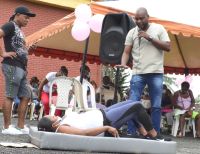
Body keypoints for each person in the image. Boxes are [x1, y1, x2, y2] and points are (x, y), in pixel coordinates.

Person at [117, 7, 171, 133]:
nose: (139, 21)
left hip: (156, 73)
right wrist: (123, 64)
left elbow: (168, 47)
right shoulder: (132, 33)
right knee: (132, 104)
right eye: (136, 19)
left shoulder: (159, 28)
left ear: (148, 17)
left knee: (156, 106)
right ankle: (132, 132)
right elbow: (126, 52)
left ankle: (155, 134)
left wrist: (149, 38)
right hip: (138, 73)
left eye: (141, 18)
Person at [38, 101, 160, 140]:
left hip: (103, 113)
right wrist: (106, 128)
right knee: (137, 106)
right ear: (53, 124)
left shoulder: (61, 121)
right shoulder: (61, 128)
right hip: (106, 122)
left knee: (131, 102)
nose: (54, 115)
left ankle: (145, 133)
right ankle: (154, 135)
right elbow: (83, 134)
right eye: (52, 116)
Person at [0, 6, 36, 135]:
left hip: (21, 67)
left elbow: (19, 48)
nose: (28, 20)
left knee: (26, 95)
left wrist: (28, 49)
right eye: (26, 17)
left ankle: (20, 126)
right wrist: (3, 53)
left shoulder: (20, 31)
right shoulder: (10, 25)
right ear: (18, 15)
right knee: (10, 95)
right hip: (11, 65)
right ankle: (7, 127)